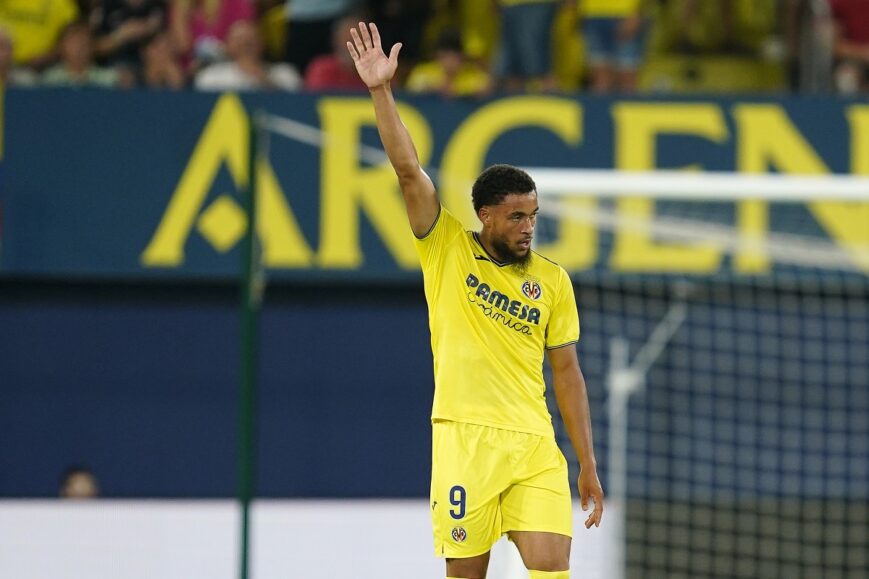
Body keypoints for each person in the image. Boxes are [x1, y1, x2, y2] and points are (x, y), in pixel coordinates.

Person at [346, 21, 604, 579]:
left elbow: (568, 374)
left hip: (533, 443)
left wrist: (586, 462)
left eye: (533, 216)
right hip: (465, 439)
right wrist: (381, 91)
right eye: (517, 216)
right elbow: (409, 172)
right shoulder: (446, 250)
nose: (528, 227)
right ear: (485, 215)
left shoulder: (552, 280)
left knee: (551, 563)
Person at [195, 20, 301, 91]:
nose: (246, 45)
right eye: (239, 41)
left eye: (251, 40)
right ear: (228, 46)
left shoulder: (285, 73)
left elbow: (292, 103)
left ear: (262, 43)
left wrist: (261, 77)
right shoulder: (211, 77)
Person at [405, 27, 491, 98]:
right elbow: (412, 89)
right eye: (445, 56)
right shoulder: (423, 72)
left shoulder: (471, 75)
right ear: (437, 56)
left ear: (462, 57)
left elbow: (484, 86)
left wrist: (460, 92)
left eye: (454, 57)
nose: (450, 62)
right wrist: (434, 89)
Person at [41, 21, 126, 88]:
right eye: (74, 43)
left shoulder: (109, 80)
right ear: (61, 47)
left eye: (84, 42)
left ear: (93, 46)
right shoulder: (49, 80)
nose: (79, 48)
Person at [303, 15, 367, 91]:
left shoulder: (374, 70)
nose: (351, 43)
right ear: (335, 41)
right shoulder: (322, 69)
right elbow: (313, 98)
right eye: (345, 37)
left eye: (357, 38)